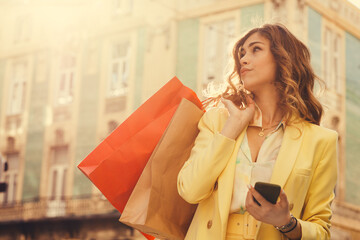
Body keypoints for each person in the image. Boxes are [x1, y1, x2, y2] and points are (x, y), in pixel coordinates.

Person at [177, 23, 338, 240]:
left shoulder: (321, 141)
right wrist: (231, 128)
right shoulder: (217, 120)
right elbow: (191, 190)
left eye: (256, 49)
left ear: (284, 58)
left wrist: (285, 222)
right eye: (242, 53)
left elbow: (321, 230)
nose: (243, 59)